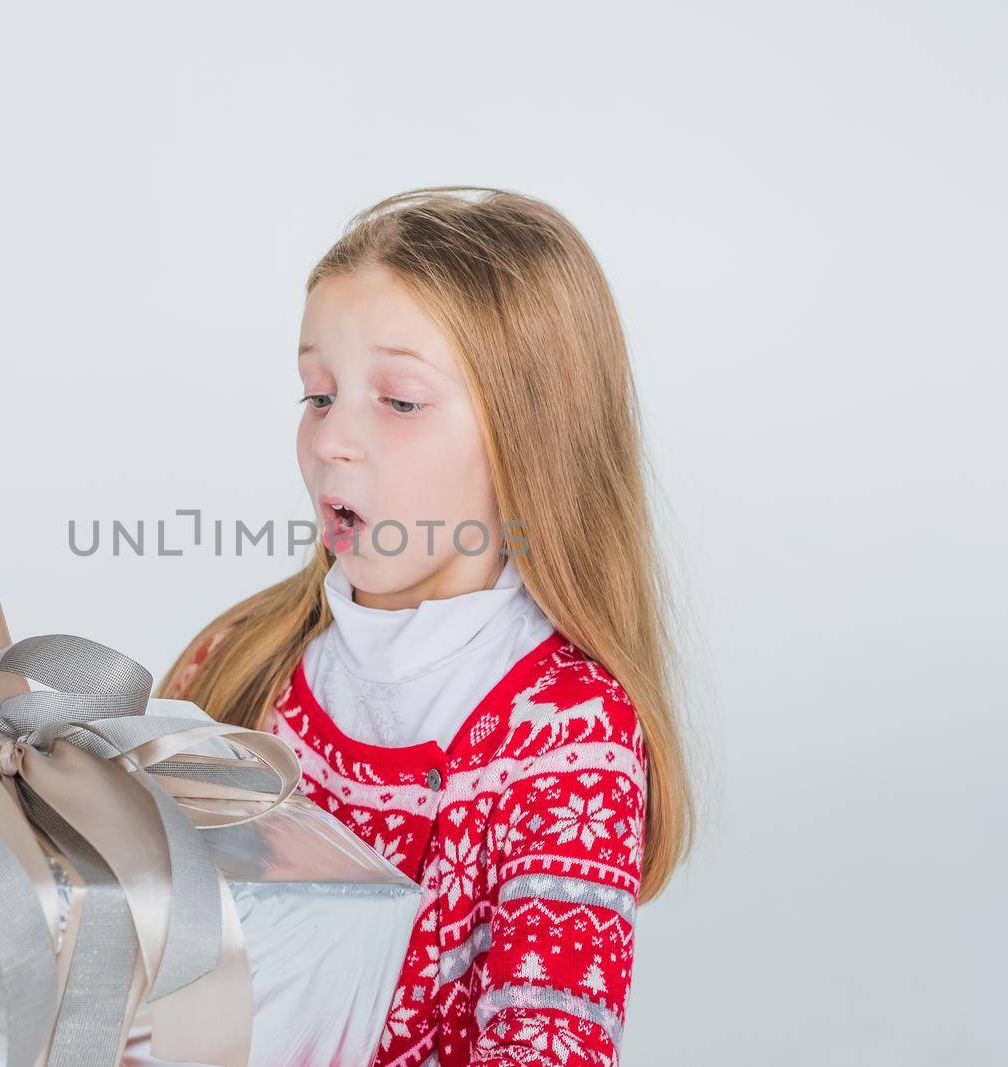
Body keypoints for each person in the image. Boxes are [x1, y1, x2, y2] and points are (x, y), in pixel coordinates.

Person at [157, 186, 695, 1067]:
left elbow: (544, 1045)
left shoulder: (569, 741)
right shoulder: (237, 664)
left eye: (400, 402)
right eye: (318, 395)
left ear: (532, 437)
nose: (333, 440)